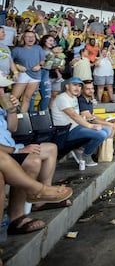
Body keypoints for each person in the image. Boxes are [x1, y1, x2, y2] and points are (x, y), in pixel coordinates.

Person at [0, 89, 71, 235]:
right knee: (32, 161)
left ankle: (41, 198)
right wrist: (17, 151)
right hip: (8, 151)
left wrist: (12, 110)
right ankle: (20, 212)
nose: (2, 91)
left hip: (12, 147)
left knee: (51, 148)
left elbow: (12, 128)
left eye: (3, 88)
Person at [51, 77, 108, 167]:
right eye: (74, 85)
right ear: (67, 86)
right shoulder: (62, 98)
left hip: (76, 127)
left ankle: (80, 149)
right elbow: (73, 115)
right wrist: (91, 126)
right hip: (65, 131)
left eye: (79, 86)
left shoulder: (74, 98)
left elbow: (77, 116)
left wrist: (86, 119)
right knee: (101, 134)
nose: (77, 88)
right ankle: (86, 155)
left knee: (107, 130)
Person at [11, 30, 45, 113]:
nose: (31, 38)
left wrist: (39, 66)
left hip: (35, 76)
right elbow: (9, 61)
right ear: (23, 38)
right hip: (22, 75)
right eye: (28, 37)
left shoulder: (38, 48)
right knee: (13, 98)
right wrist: (18, 66)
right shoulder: (17, 49)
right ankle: (9, 117)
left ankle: (22, 118)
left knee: (27, 98)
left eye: (32, 36)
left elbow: (43, 60)